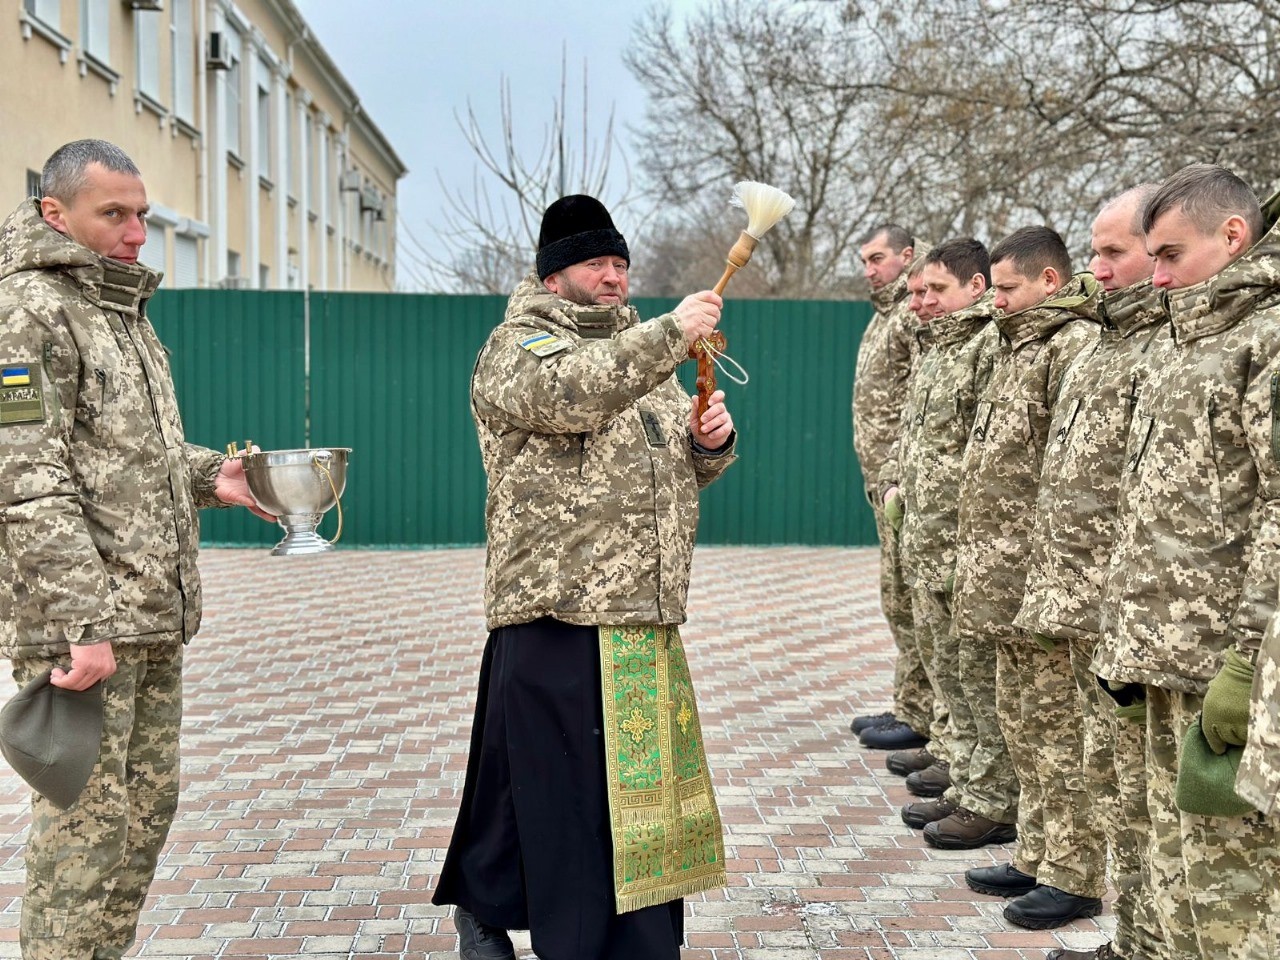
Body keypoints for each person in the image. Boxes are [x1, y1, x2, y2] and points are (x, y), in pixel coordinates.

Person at [431, 195, 737, 960]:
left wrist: (707, 446)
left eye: (621, 263)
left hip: (639, 610)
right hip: (557, 611)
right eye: (596, 263)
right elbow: (575, 396)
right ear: (554, 273)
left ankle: (506, 908)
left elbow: (658, 468)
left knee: (612, 799)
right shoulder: (519, 347)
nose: (613, 276)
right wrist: (673, 332)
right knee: (565, 797)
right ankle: (566, 939)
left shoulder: (637, 349)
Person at [0, 139, 269, 960]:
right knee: (83, 841)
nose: (136, 231)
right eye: (112, 213)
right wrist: (84, 622)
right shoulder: (28, 311)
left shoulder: (119, 309)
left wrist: (208, 476)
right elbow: (27, 477)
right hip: (87, 631)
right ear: (56, 213)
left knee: (139, 829)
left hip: (148, 621)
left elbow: (125, 458)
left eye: (142, 213)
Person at [1096, 163, 1280, 960]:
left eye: (1170, 256)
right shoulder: (1181, 340)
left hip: (1223, 670)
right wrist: (1122, 637)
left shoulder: (1265, 338)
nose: (1158, 276)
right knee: (1172, 876)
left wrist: (1246, 660)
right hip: (1164, 660)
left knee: (1230, 896)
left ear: (1232, 236)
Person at [1014, 186, 1170, 960]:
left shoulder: (1164, 344)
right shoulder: (1105, 341)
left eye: (1115, 253)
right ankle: (1133, 935)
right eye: (1096, 251)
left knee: (1143, 795)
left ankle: (1139, 933)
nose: (1097, 270)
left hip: (1134, 615)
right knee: (1104, 777)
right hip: (1076, 602)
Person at [943, 229, 1104, 933]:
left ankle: (1074, 873)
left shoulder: (1068, 349)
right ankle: (1039, 851)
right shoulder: (1019, 346)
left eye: (1007, 289)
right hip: (1004, 578)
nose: (997, 301)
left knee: (1056, 729)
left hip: (1045, 583)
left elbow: (1066, 478)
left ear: (1049, 280)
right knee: (1023, 725)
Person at [880, 240, 1004, 830]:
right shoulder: (936, 349)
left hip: (964, 547)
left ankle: (991, 797)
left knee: (978, 679)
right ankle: (962, 769)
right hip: (926, 541)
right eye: (916, 291)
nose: (922, 302)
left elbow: (988, 458)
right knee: (947, 672)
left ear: (976, 287)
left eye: (936, 290)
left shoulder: (987, 346)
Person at [851, 223, 932, 750]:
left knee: (910, 599)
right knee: (897, 599)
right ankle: (909, 701)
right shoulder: (885, 315)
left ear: (907, 255)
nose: (869, 270)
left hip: (902, 483)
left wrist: (899, 476)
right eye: (864, 261)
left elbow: (922, 398)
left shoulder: (913, 313)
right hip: (883, 482)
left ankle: (922, 714)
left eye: (877, 258)